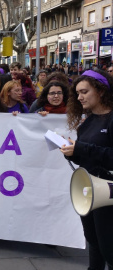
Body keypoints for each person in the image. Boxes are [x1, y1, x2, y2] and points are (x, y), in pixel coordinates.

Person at [60, 70, 113, 270]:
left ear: (100, 91)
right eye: (78, 93)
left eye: (84, 92)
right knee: (94, 240)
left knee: (108, 246)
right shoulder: (87, 122)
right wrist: (71, 152)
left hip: (108, 192)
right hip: (89, 190)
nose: (79, 97)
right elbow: (86, 156)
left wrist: (82, 148)